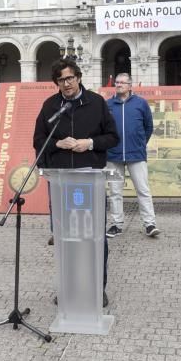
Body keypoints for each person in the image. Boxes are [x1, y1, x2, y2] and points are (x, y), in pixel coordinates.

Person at [33, 57, 119, 307]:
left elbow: (113, 137)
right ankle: (68, 285)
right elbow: (38, 140)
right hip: (61, 182)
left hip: (89, 179)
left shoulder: (97, 103)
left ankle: (97, 287)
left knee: (93, 237)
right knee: (66, 237)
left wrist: (88, 143)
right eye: (61, 80)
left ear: (79, 78)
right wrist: (57, 143)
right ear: (56, 83)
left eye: (70, 78)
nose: (67, 83)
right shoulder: (50, 106)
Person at [106, 73, 160, 238]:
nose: (119, 85)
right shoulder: (107, 105)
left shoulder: (141, 103)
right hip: (113, 156)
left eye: (123, 82)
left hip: (136, 155)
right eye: (117, 82)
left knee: (143, 190)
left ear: (130, 86)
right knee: (115, 191)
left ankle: (150, 224)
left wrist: (140, 143)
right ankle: (116, 224)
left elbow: (148, 126)